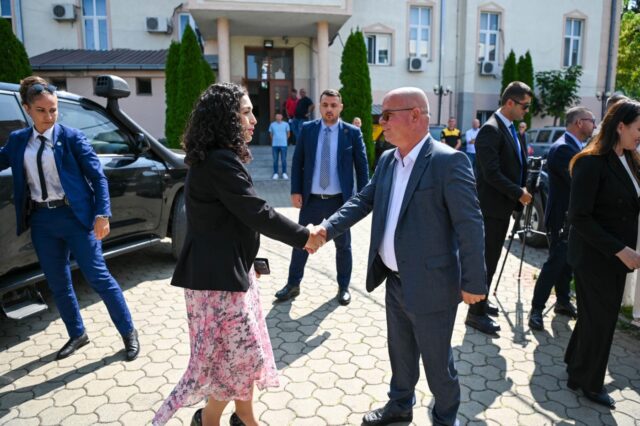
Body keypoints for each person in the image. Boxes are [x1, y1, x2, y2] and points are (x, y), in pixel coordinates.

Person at [152, 83, 323, 426]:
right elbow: (256, 212)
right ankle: (209, 419)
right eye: (245, 112)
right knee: (237, 357)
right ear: (223, 119)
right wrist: (304, 236)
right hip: (216, 283)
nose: (254, 120)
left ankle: (244, 417)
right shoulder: (218, 161)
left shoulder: (218, 157)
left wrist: (251, 260)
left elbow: (231, 220)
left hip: (230, 273)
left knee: (241, 356)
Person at [315, 87, 486, 426]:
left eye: (388, 115)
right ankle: (400, 405)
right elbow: (363, 200)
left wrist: (474, 282)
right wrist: (325, 229)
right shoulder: (387, 161)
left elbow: (470, 224)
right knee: (401, 352)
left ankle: (445, 416)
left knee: (437, 363)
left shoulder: (448, 162)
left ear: (416, 115)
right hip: (395, 281)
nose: (382, 122)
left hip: (433, 284)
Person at [0, 76, 140, 361]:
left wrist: (102, 214)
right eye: (41, 110)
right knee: (58, 282)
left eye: (53, 109)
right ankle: (77, 334)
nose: (49, 116)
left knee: (98, 277)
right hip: (42, 221)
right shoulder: (18, 141)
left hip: (76, 218)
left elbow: (98, 177)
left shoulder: (72, 137)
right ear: (27, 109)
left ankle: (128, 332)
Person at [564, 99, 640, 409]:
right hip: (596, 257)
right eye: (638, 128)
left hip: (614, 258)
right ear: (620, 126)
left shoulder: (630, 159)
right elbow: (579, 217)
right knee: (602, 320)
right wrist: (620, 249)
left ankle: (575, 367)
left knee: (593, 316)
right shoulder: (591, 162)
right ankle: (590, 382)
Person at [274, 89, 369, 306]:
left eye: (333, 105)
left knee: (343, 246)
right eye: (325, 105)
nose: (329, 109)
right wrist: (295, 191)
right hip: (312, 200)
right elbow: (298, 162)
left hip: (340, 202)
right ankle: (293, 284)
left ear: (340, 107)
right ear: (319, 106)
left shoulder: (352, 133)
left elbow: (362, 168)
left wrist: (363, 200)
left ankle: (343, 287)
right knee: (300, 242)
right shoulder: (308, 129)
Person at [467, 81, 533, 336]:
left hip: (501, 208)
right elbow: (491, 173)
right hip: (490, 209)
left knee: (491, 259)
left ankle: (481, 302)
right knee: (486, 260)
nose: (526, 111)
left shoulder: (509, 127)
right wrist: (518, 192)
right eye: (524, 106)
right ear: (510, 103)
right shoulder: (491, 129)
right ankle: (475, 313)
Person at [528, 107, 595, 331]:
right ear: (579, 123)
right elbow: (579, 183)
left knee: (568, 262)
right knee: (555, 263)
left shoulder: (575, 146)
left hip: (571, 217)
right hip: (561, 218)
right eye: (591, 121)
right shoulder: (563, 149)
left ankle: (563, 301)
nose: (594, 125)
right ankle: (536, 309)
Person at [268, 113, 290, 180]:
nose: (278, 117)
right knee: (275, 160)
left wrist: (284, 140)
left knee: (283, 160)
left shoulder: (286, 124)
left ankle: (284, 173)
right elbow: (271, 134)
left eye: (279, 116)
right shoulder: (272, 124)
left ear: (282, 117)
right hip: (275, 145)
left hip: (284, 145)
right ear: (275, 117)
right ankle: (275, 173)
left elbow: (288, 133)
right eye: (277, 116)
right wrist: (274, 140)